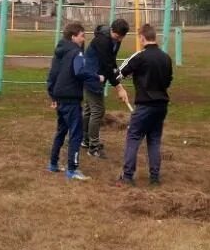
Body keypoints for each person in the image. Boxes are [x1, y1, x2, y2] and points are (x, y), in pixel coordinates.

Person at [113, 24, 173, 186]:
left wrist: (118, 85)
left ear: (142, 37)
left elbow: (118, 73)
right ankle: (154, 177)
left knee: (133, 138)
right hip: (161, 106)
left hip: (145, 106)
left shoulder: (139, 57)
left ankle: (127, 176)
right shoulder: (166, 57)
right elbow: (168, 81)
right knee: (154, 140)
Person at [46, 21, 99, 181]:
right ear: (73, 36)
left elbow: (52, 75)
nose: (84, 39)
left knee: (61, 130)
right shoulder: (76, 53)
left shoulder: (60, 51)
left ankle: (53, 164)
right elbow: (80, 72)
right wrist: (97, 77)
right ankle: (72, 169)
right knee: (76, 133)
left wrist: (53, 95)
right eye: (82, 36)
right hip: (70, 99)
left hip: (60, 98)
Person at [81, 18, 129, 159]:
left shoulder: (116, 39)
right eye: (117, 36)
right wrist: (119, 87)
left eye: (121, 37)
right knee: (98, 111)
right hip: (92, 77)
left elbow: (112, 61)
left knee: (89, 110)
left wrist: (117, 75)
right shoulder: (102, 41)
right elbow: (107, 64)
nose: (119, 39)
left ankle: (86, 140)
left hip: (100, 75)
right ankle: (93, 147)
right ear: (111, 30)